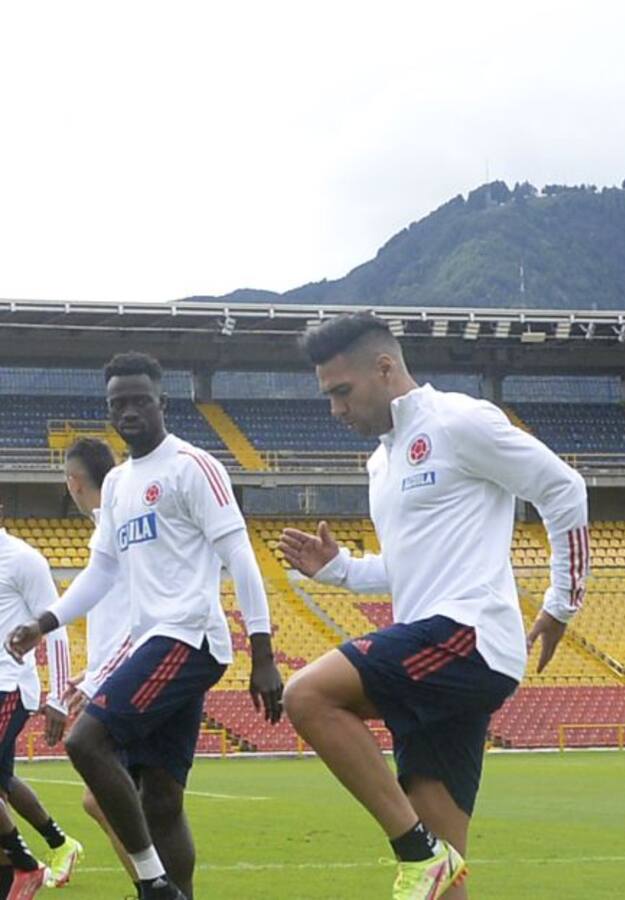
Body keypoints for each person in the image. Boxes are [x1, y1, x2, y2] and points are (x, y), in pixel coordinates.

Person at [279, 313, 590, 899]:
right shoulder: (381, 462)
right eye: (328, 396)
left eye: (342, 392)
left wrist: (562, 600)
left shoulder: (457, 420)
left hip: (468, 637)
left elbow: (563, 488)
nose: (335, 410)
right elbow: (407, 568)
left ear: (385, 367)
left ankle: (414, 853)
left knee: (307, 694)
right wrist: (340, 569)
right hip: (435, 652)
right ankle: (431, 861)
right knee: (445, 883)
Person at [5, 352, 284, 900]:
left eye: (138, 400)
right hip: (153, 641)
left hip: (190, 635)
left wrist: (265, 651)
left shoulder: (193, 466)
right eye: (117, 403)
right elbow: (103, 569)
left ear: (163, 403)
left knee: (87, 743)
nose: (128, 411)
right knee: (162, 798)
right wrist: (45, 621)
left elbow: (241, 557)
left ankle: (153, 883)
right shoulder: (118, 486)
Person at [60, 437, 138, 890]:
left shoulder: (119, 528)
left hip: (130, 675)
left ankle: (158, 888)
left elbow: (139, 612)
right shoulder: (106, 528)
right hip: (114, 673)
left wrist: (101, 678)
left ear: (74, 482)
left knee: (106, 797)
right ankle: (155, 887)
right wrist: (92, 674)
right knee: (105, 799)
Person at [0, 505, 72, 898]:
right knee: (2, 787)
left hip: (8, 685)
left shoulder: (23, 560)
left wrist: (58, 695)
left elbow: (57, 626)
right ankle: (52, 847)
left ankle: (26, 866)